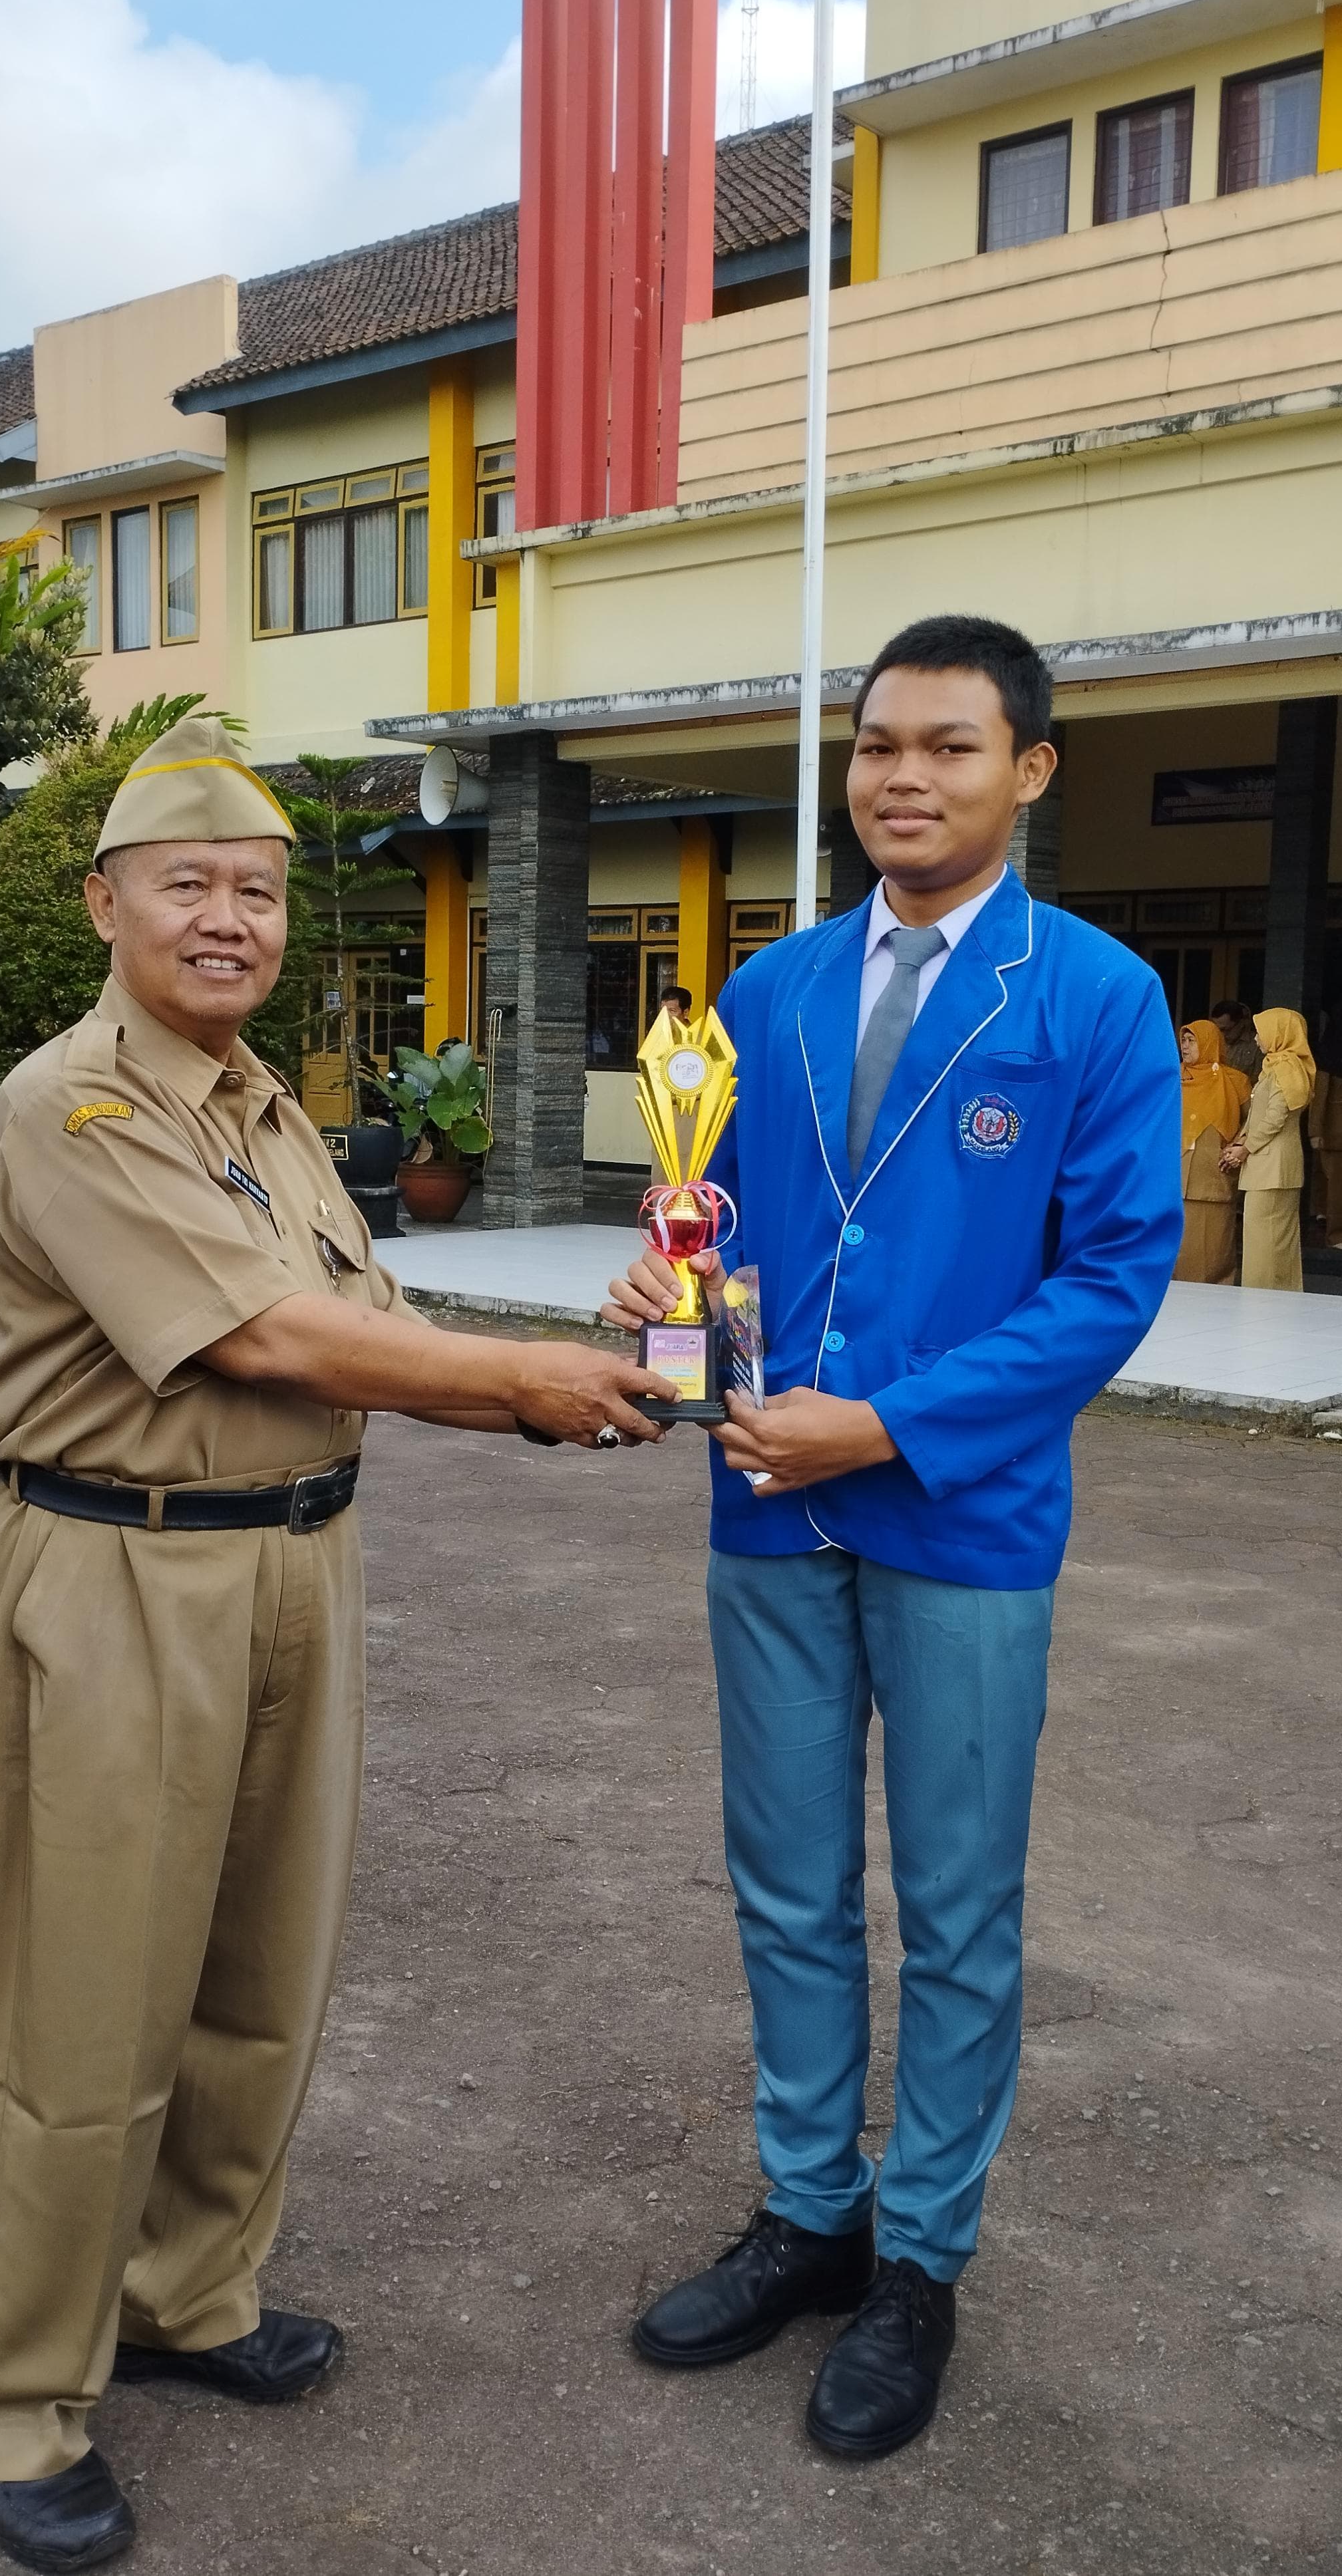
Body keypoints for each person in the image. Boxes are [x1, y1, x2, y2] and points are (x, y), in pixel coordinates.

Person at [0, 716, 671, 2575]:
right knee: (74, 2005)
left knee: (263, 1974)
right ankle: (13, 2394)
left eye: (258, 891)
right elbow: (268, 1338)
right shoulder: (72, 1102)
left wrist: (602, 1360)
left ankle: (192, 2290)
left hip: (291, 1566)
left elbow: (369, 1326)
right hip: (111, 1574)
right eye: (188, 883)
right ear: (106, 903)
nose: (229, 918)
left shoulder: (269, 1108)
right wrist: (520, 1377)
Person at [605, 616, 1182, 2464]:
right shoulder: (761, 998)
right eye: (876, 746)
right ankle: (811, 2210)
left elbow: (1113, 1276)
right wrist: (672, 1313)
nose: (901, 779)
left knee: (955, 1906)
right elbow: (720, 1236)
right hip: (766, 1502)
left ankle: (921, 2251)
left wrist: (897, 1418)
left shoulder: (1090, 996)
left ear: (1032, 769)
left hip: (963, 1515)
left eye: (947, 745)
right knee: (783, 1882)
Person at [1222, 1006, 1315, 1291]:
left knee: (1266, 1242)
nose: (1255, 1039)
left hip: (1274, 1166)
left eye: (1261, 1032)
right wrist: (1238, 1142)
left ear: (1279, 1033)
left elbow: (1276, 1117)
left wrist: (1245, 1149)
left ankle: (1263, 1301)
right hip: (1267, 1165)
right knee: (1268, 1239)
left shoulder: (1287, 1067)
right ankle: (1275, 1298)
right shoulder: (1275, 1066)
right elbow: (1258, 1116)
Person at [1174, 1018, 1249, 1286]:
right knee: (1175, 1246)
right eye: (1183, 1040)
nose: (1185, 1046)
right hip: (1173, 1176)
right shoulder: (1172, 1077)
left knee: (1213, 1249)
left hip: (1214, 1174)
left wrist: (1239, 1145)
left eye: (1192, 1040)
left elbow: (1254, 1123)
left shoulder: (1234, 1081)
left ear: (1209, 1043)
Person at [1307, 994, 1342, 1246]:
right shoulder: (1333, 1046)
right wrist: (1315, 1130)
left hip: (1334, 1129)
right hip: (1334, 1131)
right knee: (1336, 1183)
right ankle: (1335, 1234)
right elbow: (1321, 1093)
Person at [1210, 998, 1263, 1086]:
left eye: (1225, 1030)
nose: (1221, 1035)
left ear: (1241, 1024)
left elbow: (1260, 1081)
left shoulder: (1258, 1045)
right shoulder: (1211, 1043)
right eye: (1217, 1030)